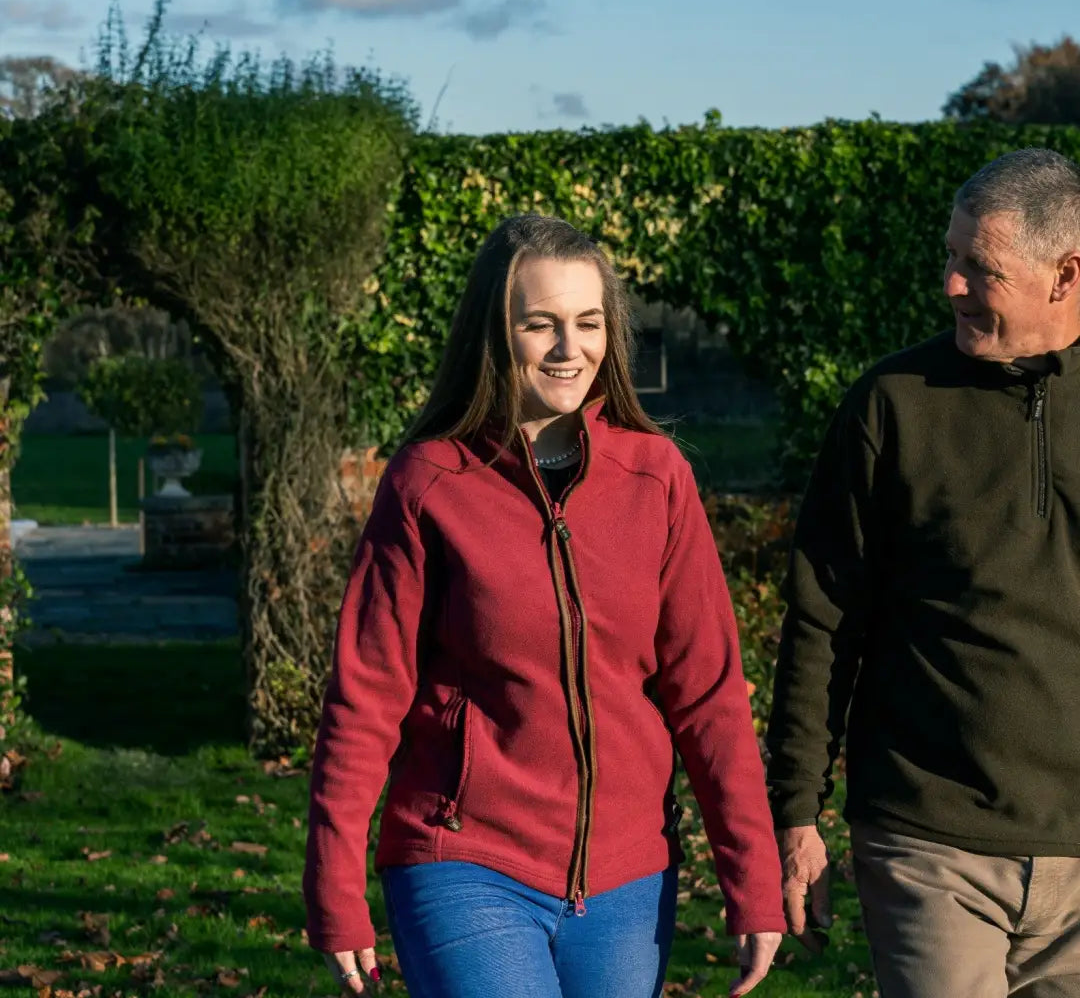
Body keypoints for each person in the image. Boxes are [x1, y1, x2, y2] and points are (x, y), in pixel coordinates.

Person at [303, 213, 785, 998]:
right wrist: (333, 884)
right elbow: (365, 697)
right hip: (464, 859)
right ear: (497, 334)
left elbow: (710, 696)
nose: (571, 349)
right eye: (542, 325)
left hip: (629, 878)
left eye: (588, 323)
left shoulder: (656, 478)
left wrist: (752, 879)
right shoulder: (429, 482)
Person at [766, 148, 1080, 997]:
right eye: (949, 257)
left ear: (1065, 276)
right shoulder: (891, 404)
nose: (949, 284)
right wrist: (796, 810)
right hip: (928, 840)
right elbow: (822, 617)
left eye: (980, 268)